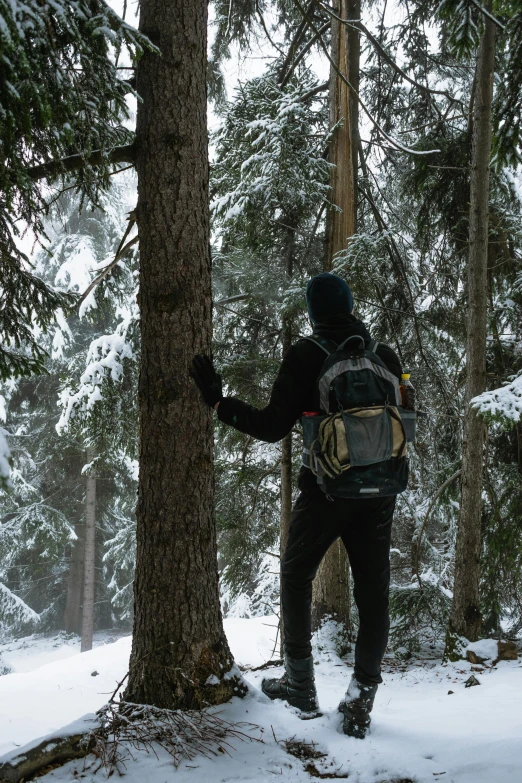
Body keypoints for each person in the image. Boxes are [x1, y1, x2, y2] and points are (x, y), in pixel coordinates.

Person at [192, 272, 403, 738]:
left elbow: (271, 427)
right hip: (380, 495)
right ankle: (360, 703)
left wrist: (218, 402)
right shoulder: (384, 355)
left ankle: (300, 685)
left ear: (313, 311)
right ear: (350, 306)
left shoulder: (307, 353)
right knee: (373, 595)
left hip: (326, 491)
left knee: (295, 574)